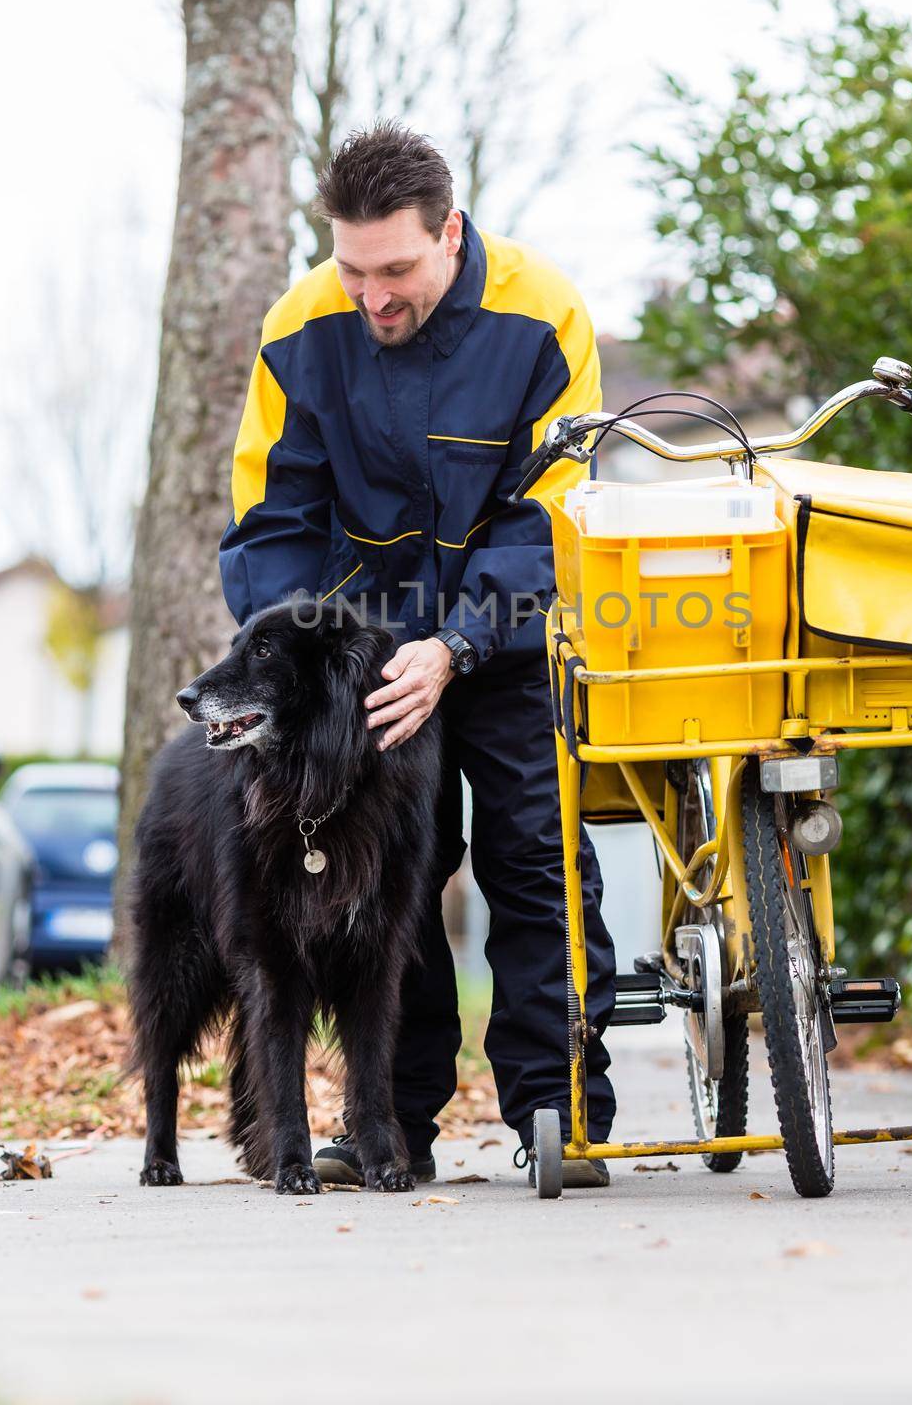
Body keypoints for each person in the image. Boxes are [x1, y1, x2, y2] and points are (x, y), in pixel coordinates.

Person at [218, 121, 616, 1186]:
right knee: (386, 873)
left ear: (450, 232)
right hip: (365, 652)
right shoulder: (303, 323)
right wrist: (311, 664)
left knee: (536, 861)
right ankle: (389, 1124)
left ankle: (558, 1111)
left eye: (395, 269)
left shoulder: (544, 312)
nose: (372, 296)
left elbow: (553, 509)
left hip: (512, 632)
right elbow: (273, 517)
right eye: (352, 268)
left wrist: (460, 639)